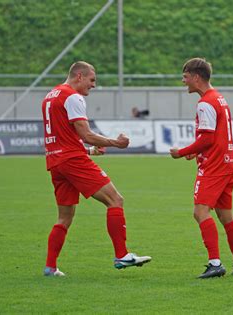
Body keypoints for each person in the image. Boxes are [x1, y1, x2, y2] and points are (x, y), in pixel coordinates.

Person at [42, 61, 151, 276]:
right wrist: (115, 143)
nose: (93, 85)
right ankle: (121, 255)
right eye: (92, 80)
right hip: (72, 161)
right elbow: (86, 134)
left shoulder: (50, 95)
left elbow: (64, 137)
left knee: (64, 217)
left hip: (56, 162)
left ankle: (50, 267)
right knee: (115, 200)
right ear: (79, 76)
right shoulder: (73, 96)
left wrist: (90, 151)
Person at [169, 58, 233, 279]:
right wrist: (196, 151)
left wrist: (182, 152)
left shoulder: (205, 103)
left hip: (214, 166)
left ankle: (215, 264)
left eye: (185, 77)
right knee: (226, 217)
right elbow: (214, 137)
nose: (184, 82)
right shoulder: (219, 98)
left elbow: (207, 139)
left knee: (200, 212)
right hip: (227, 163)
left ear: (196, 77)